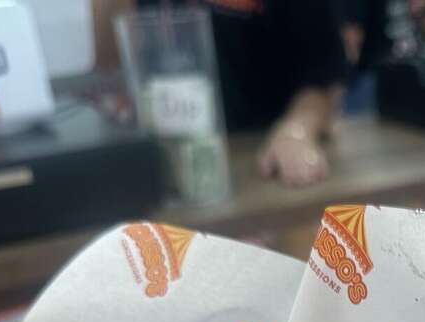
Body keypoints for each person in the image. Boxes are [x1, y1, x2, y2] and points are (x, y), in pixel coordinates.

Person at [97, 1, 347, 186]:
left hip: (261, 154)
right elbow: (108, 65)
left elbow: (322, 78)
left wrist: (296, 130)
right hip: (168, 161)